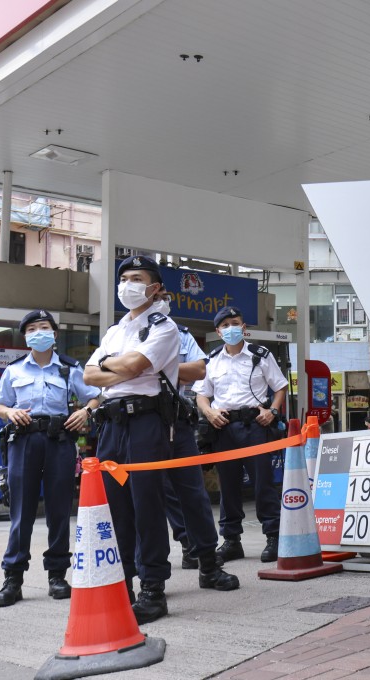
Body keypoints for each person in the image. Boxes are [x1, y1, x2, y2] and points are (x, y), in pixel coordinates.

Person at [84, 255, 180, 624]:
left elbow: (135, 366)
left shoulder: (164, 327)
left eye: (136, 278)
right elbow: (89, 375)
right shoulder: (115, 330)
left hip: (145, 423)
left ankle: (153, 589)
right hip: (112, 425)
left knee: (147, 505)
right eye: (124, 278)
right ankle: (121, 585)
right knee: (116, 508)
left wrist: (111, 365)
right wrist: (119, 367)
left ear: (155, 288)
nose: (127, 285)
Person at [0, 310, 100, 608]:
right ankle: (13, 579)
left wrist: (85, 411)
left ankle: (57, 575)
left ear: (54, 334)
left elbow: (95, 396)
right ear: (26, 337)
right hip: (23, 441)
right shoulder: (14, 370)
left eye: (43, 327)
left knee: (59, 510)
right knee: (21, 511)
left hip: (59, 441)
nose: (38, 333)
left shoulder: (69, 368)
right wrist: (9, 412)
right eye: (32, 329)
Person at [143, 296, 238, 592]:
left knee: (193, 492)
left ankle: (207, 562)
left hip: (177, 417)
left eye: (161, 296)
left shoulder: (180, 333)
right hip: (141, 422)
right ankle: (156, 576)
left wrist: (145, 367)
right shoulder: (121, 333)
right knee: (151, 497)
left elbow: (198, 370)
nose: (157, 302)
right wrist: (169, 368)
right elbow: (102, 375)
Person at [195, 307, 286, 564]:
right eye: (225, 325)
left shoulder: (260, 355)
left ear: (243, 327)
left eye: (235, 323)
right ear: (218, 332)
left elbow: (280, 387)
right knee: (228, 485)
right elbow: (202, 395)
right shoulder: (211, 360)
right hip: (223, 428)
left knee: (263, 482)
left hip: (255, 425)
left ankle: (274, 536)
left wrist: (272, 411)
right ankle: (231, 540)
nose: (230, 328)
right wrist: (209, 413)